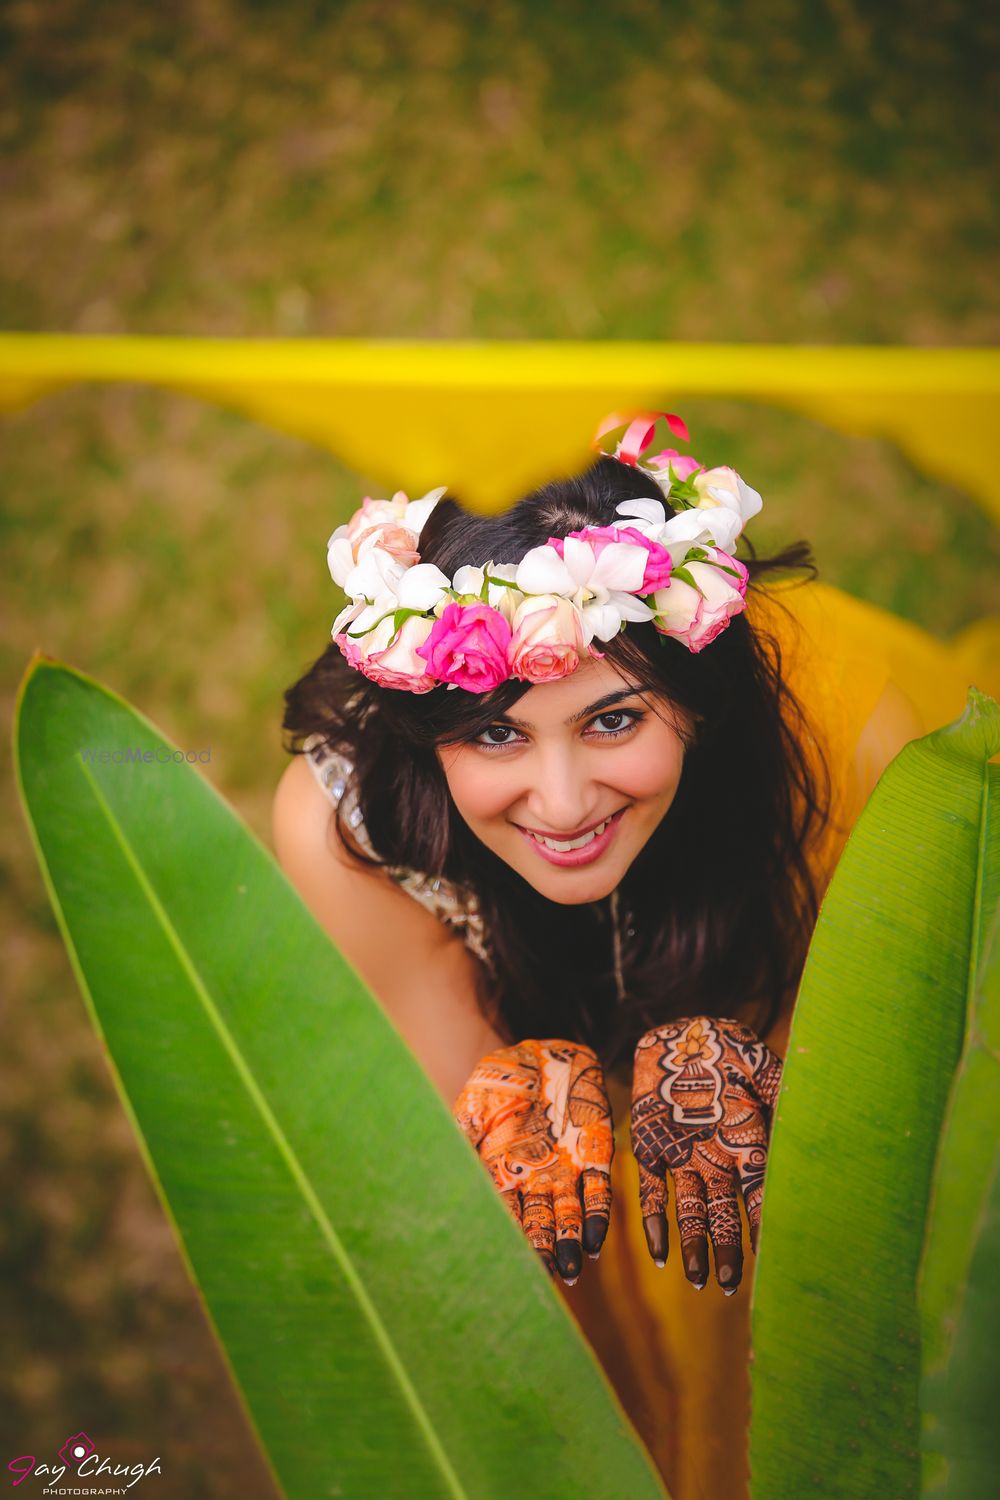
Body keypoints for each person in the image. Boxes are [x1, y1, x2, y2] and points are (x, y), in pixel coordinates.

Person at [271, 415, 930, 1500]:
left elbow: (908, 1053)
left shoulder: (844, 729)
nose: (565, 802)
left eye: (615, 720)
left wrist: (767, 1067)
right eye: (495, 735)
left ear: (697, 701)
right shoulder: (350, 828)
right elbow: (470, 1153)